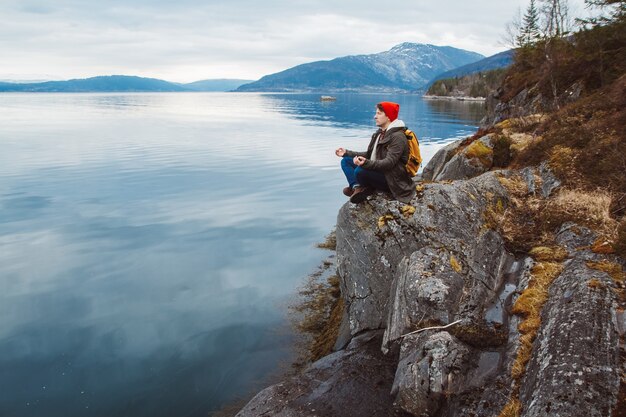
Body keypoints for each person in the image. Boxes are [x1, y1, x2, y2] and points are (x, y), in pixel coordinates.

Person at [335, 101, 416, 204]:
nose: (375, 116)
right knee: (346, 161)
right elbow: (369, 154)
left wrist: (365, 163)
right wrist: (347, 153)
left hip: (391, 179)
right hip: (379, 171)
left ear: (388, 117)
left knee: (360, 171)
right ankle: (357, 188)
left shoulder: (398, 137)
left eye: (379, 113)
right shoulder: (379, 133)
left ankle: (365, 188)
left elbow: (389, 163)